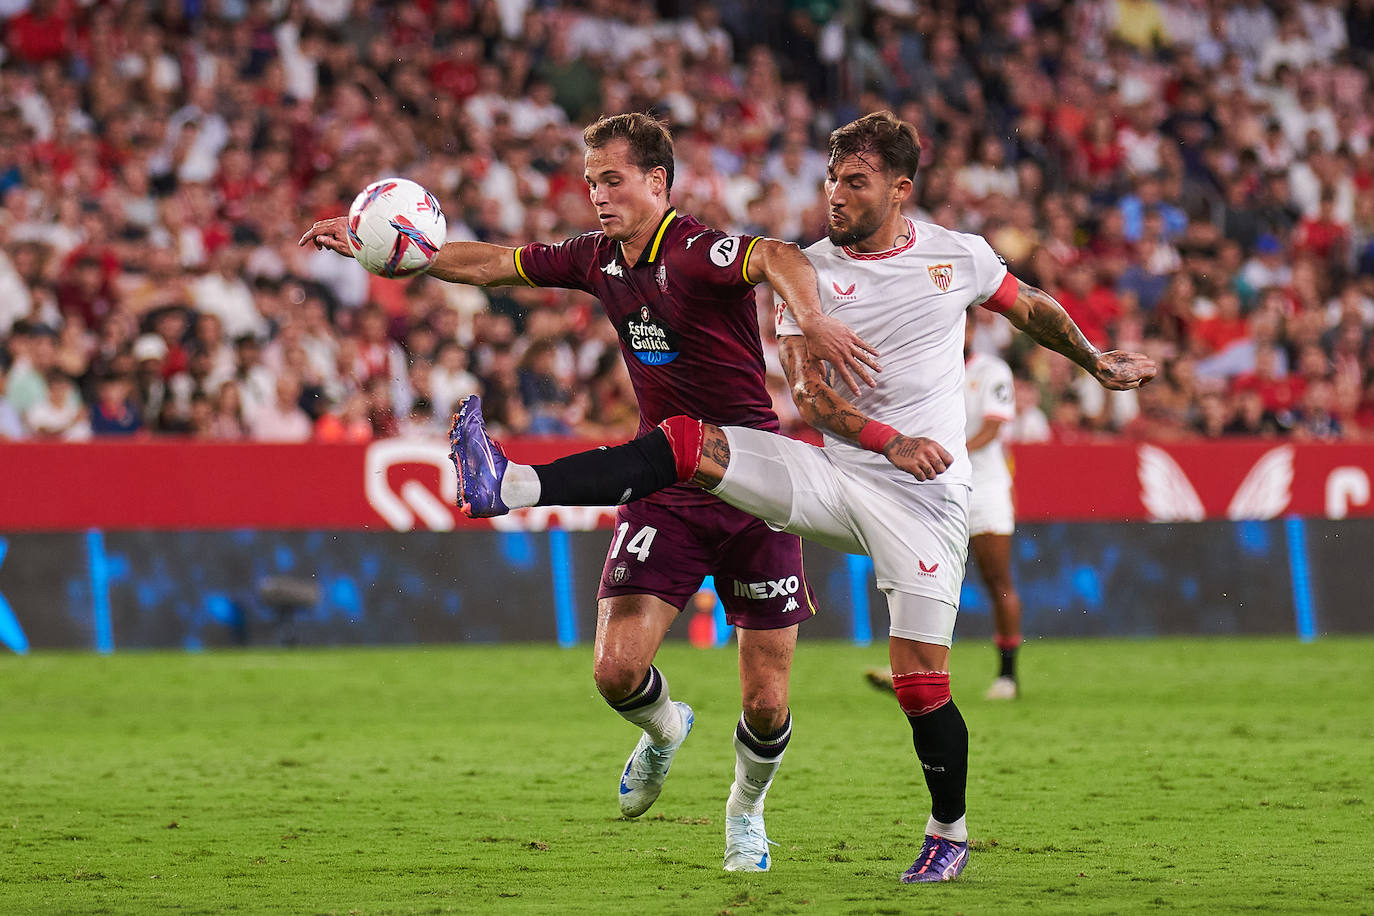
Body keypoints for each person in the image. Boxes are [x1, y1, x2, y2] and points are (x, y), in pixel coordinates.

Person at [450, 111, 1156, 884]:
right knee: (690, 442)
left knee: (919, 682)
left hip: (927, 498)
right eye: (831, 181)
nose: (836, 196)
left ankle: (947, 831)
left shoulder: (961, 257)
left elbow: (1030, 308)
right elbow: (813, 405)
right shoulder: (810, 271)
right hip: (841, 468)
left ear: (899, 188)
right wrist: (882, 431)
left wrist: (1092, 360)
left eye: (855, 182)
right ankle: (513, 484)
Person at [300, 112, 879, 873]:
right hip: (662, 484)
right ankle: (667, 728)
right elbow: (489, 265)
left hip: (752, 483)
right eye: (591, 183)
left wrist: (811, 316)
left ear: (656, 182)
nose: (599, 196)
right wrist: (397, 250)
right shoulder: (595, 259)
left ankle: (746, 813)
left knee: (767, 698)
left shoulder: (699, 250)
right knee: (614, 673)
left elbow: (775, 256)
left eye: (613, 180)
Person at [867, 309, 1025, 699]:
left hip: (983, 488)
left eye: (963, 322)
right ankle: (908, 668)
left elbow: (992, 427)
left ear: (970, 327)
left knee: (996, 579)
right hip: (934, 487)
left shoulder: (990, 371)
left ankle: (1007, 676)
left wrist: (949, 454)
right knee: (918, 578)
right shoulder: (927, 368)